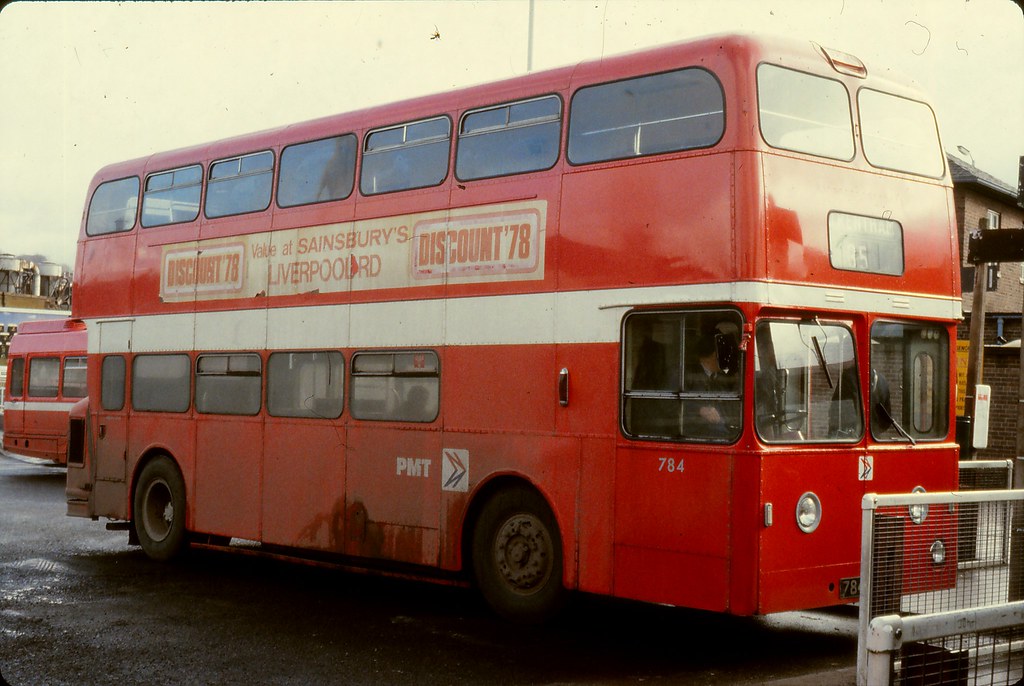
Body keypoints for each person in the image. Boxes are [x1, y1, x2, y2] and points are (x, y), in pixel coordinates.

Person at [686, 333, 739, 439]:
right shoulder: (686, 376)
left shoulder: (722, 378)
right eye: (724, 355)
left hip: (724, 432)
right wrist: (700, 410)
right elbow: (669, 406)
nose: (727, 359)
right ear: (714, 356)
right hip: (698, 435)